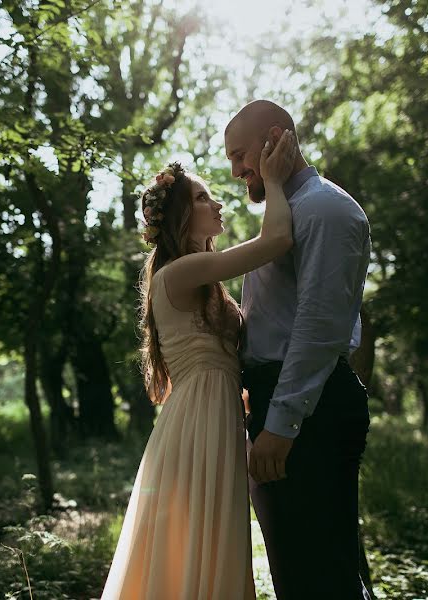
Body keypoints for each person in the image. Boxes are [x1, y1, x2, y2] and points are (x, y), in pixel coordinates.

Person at [100, 130, 300, 599]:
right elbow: (275, 240)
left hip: (213, 412)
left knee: (212, 537)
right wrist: (272, 179)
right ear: (183, 216)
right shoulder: (179, 271)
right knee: (200, 538)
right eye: (204, 197)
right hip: (199, 420)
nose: (218, 204)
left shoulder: (203, 278)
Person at [225, 99, 372, 599]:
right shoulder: (283, 216)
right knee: (300, 577)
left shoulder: (325, 209)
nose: (236, 170)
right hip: (280, 404)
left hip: (308, 414)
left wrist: (281, 425)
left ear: (273, 138)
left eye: (240, 154)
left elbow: (318, 325)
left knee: (321, 581)